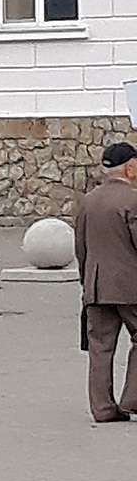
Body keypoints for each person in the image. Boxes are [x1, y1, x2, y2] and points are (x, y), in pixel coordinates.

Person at [74, 142, 137, 423]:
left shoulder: (88, 201)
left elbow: (81, 247)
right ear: (131, 167)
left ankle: (102, 408)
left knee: (100, 345)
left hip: (96, 286)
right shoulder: (133, 201)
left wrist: (86, 280)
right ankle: (132, 400)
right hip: (130, 286)